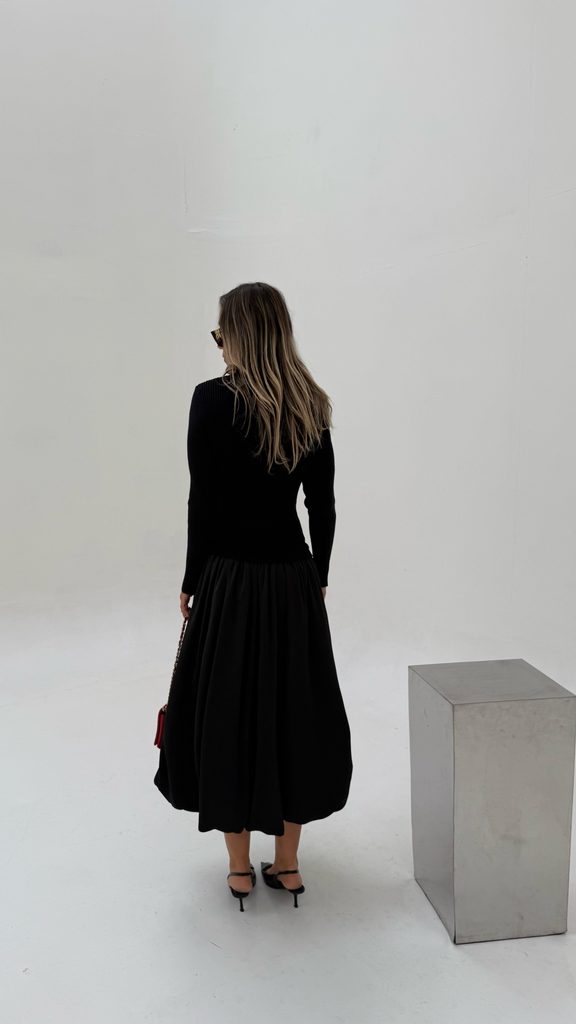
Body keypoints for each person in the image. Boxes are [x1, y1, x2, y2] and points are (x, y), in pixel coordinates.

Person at [154, 282, 353, 911]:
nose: (219, 347)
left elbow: (203, 502)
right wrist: (318, 576)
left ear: (238, 335)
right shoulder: (310, 403)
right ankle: (287, 864)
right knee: (295, 712)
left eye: (221, 335)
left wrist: (192, 579)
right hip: (291, 579)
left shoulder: (210, 400)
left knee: (228, 712)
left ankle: (239, 869)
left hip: (229, 580)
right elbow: (322, 506)